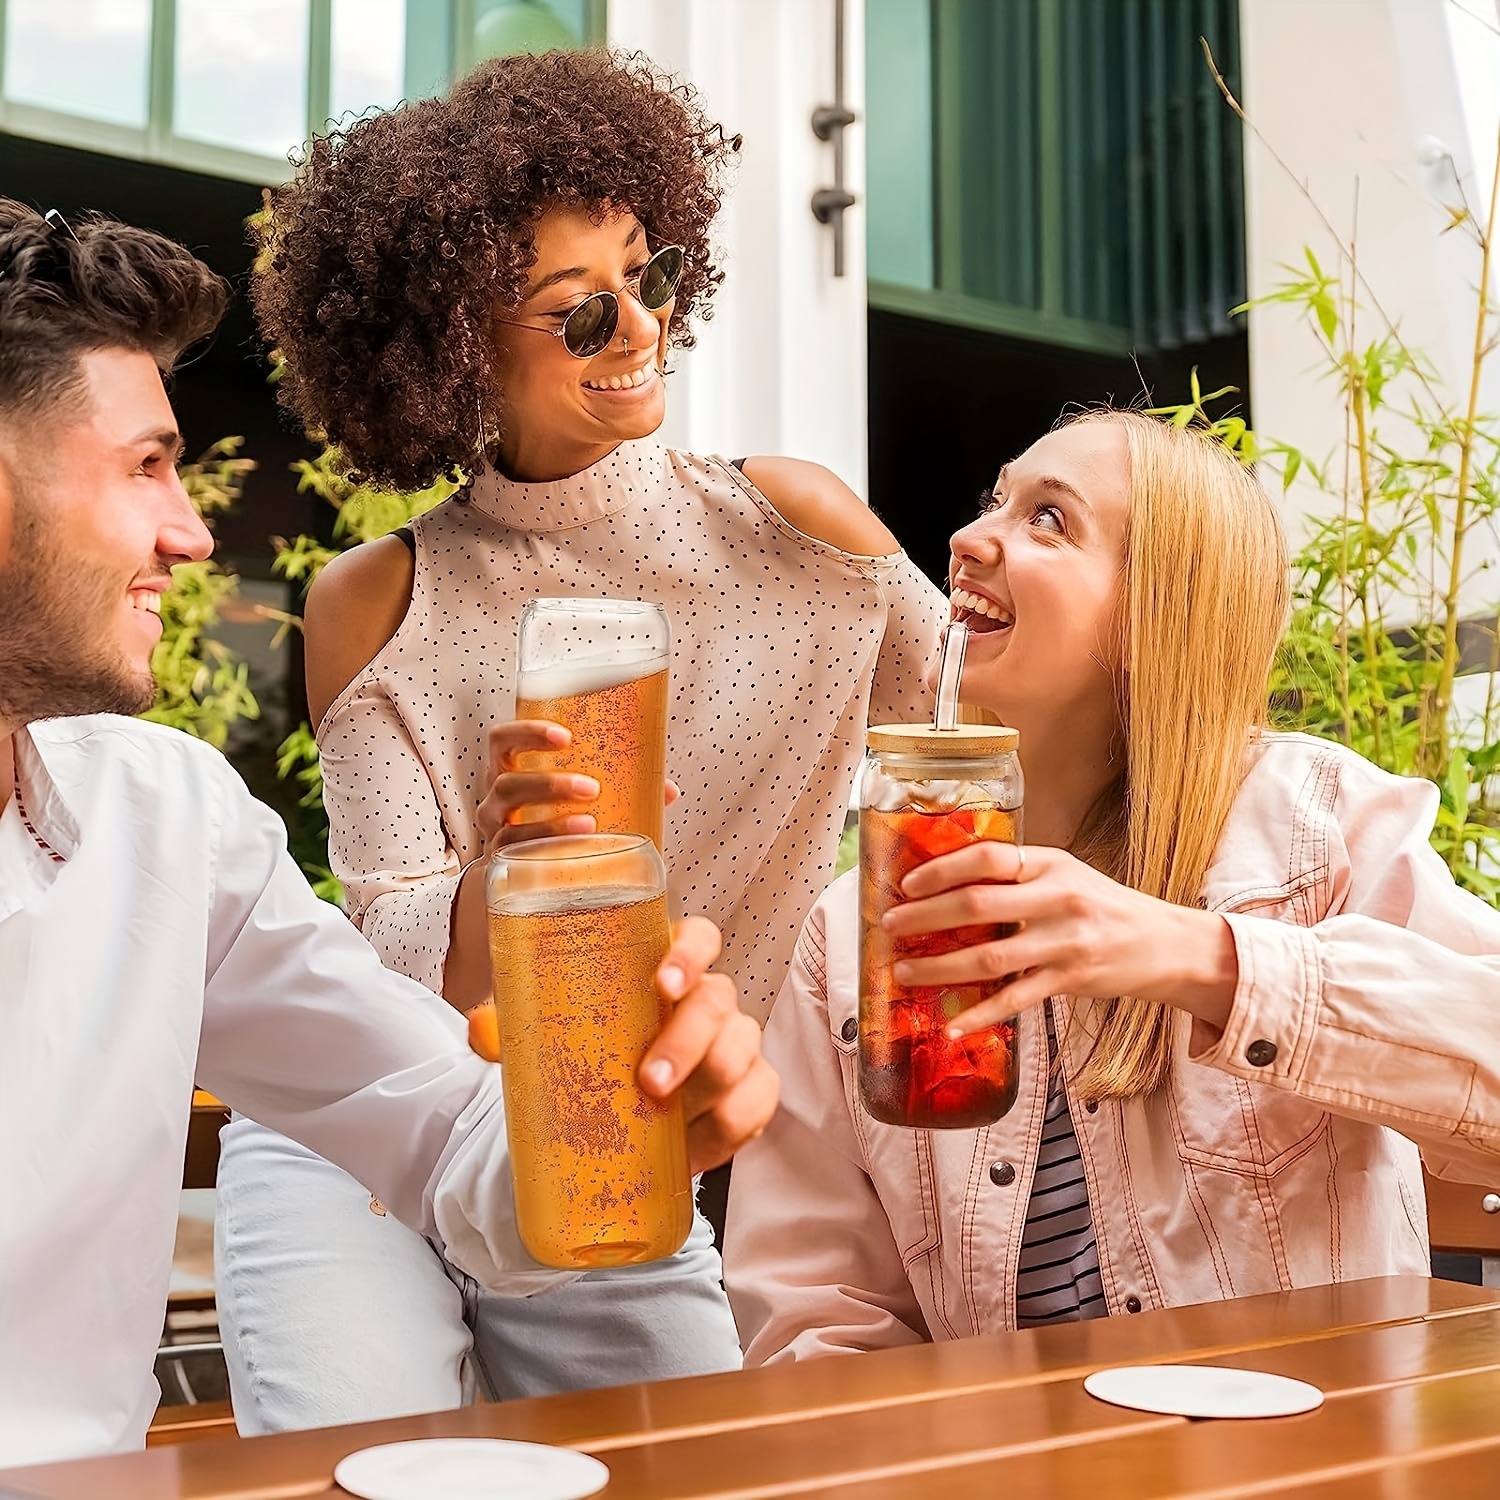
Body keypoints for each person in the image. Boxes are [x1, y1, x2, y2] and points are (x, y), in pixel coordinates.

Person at [214, 47, 945, 1431]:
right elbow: (392, 987)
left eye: (647, 277)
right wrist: (510, 870)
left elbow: (983, 742)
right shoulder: (375, 603)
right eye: (578, 311)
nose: (641, 328)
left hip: (617, 1124)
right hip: (358, 1136)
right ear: (449, 344)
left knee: (682, 1464)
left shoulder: (801, 536)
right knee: (379, 1468)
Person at [0, 200, 775, 1467]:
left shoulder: (168, 818)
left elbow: (427, 1112)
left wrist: (631, 1116)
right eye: (147, 465)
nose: (193, 535)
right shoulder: (371, 602)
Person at [722, 408, 1500, 1362]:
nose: (969, 540)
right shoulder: (854, 931)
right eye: (992, 503)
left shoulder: (1311, 821)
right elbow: (818, 1314)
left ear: (1155, 615)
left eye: (1049, 518)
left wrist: (1204, 960)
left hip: (1302, 1455)